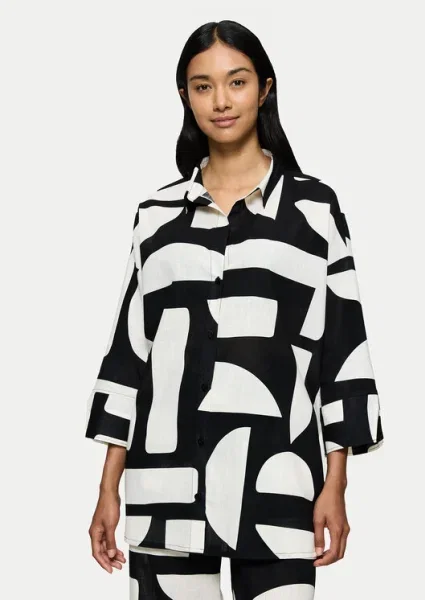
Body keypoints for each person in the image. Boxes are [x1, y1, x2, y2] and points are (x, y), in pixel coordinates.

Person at [85, 19, 384, 600]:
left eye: (237, 82)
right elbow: (130, 356)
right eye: (203, 86)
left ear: (264, 88)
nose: (221, 101)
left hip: (279, 483)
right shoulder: (156, 217)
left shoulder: (313, 211)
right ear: (185, 96)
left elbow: (343, 348)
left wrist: (337, 482)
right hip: (166, 489)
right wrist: (107, 489)